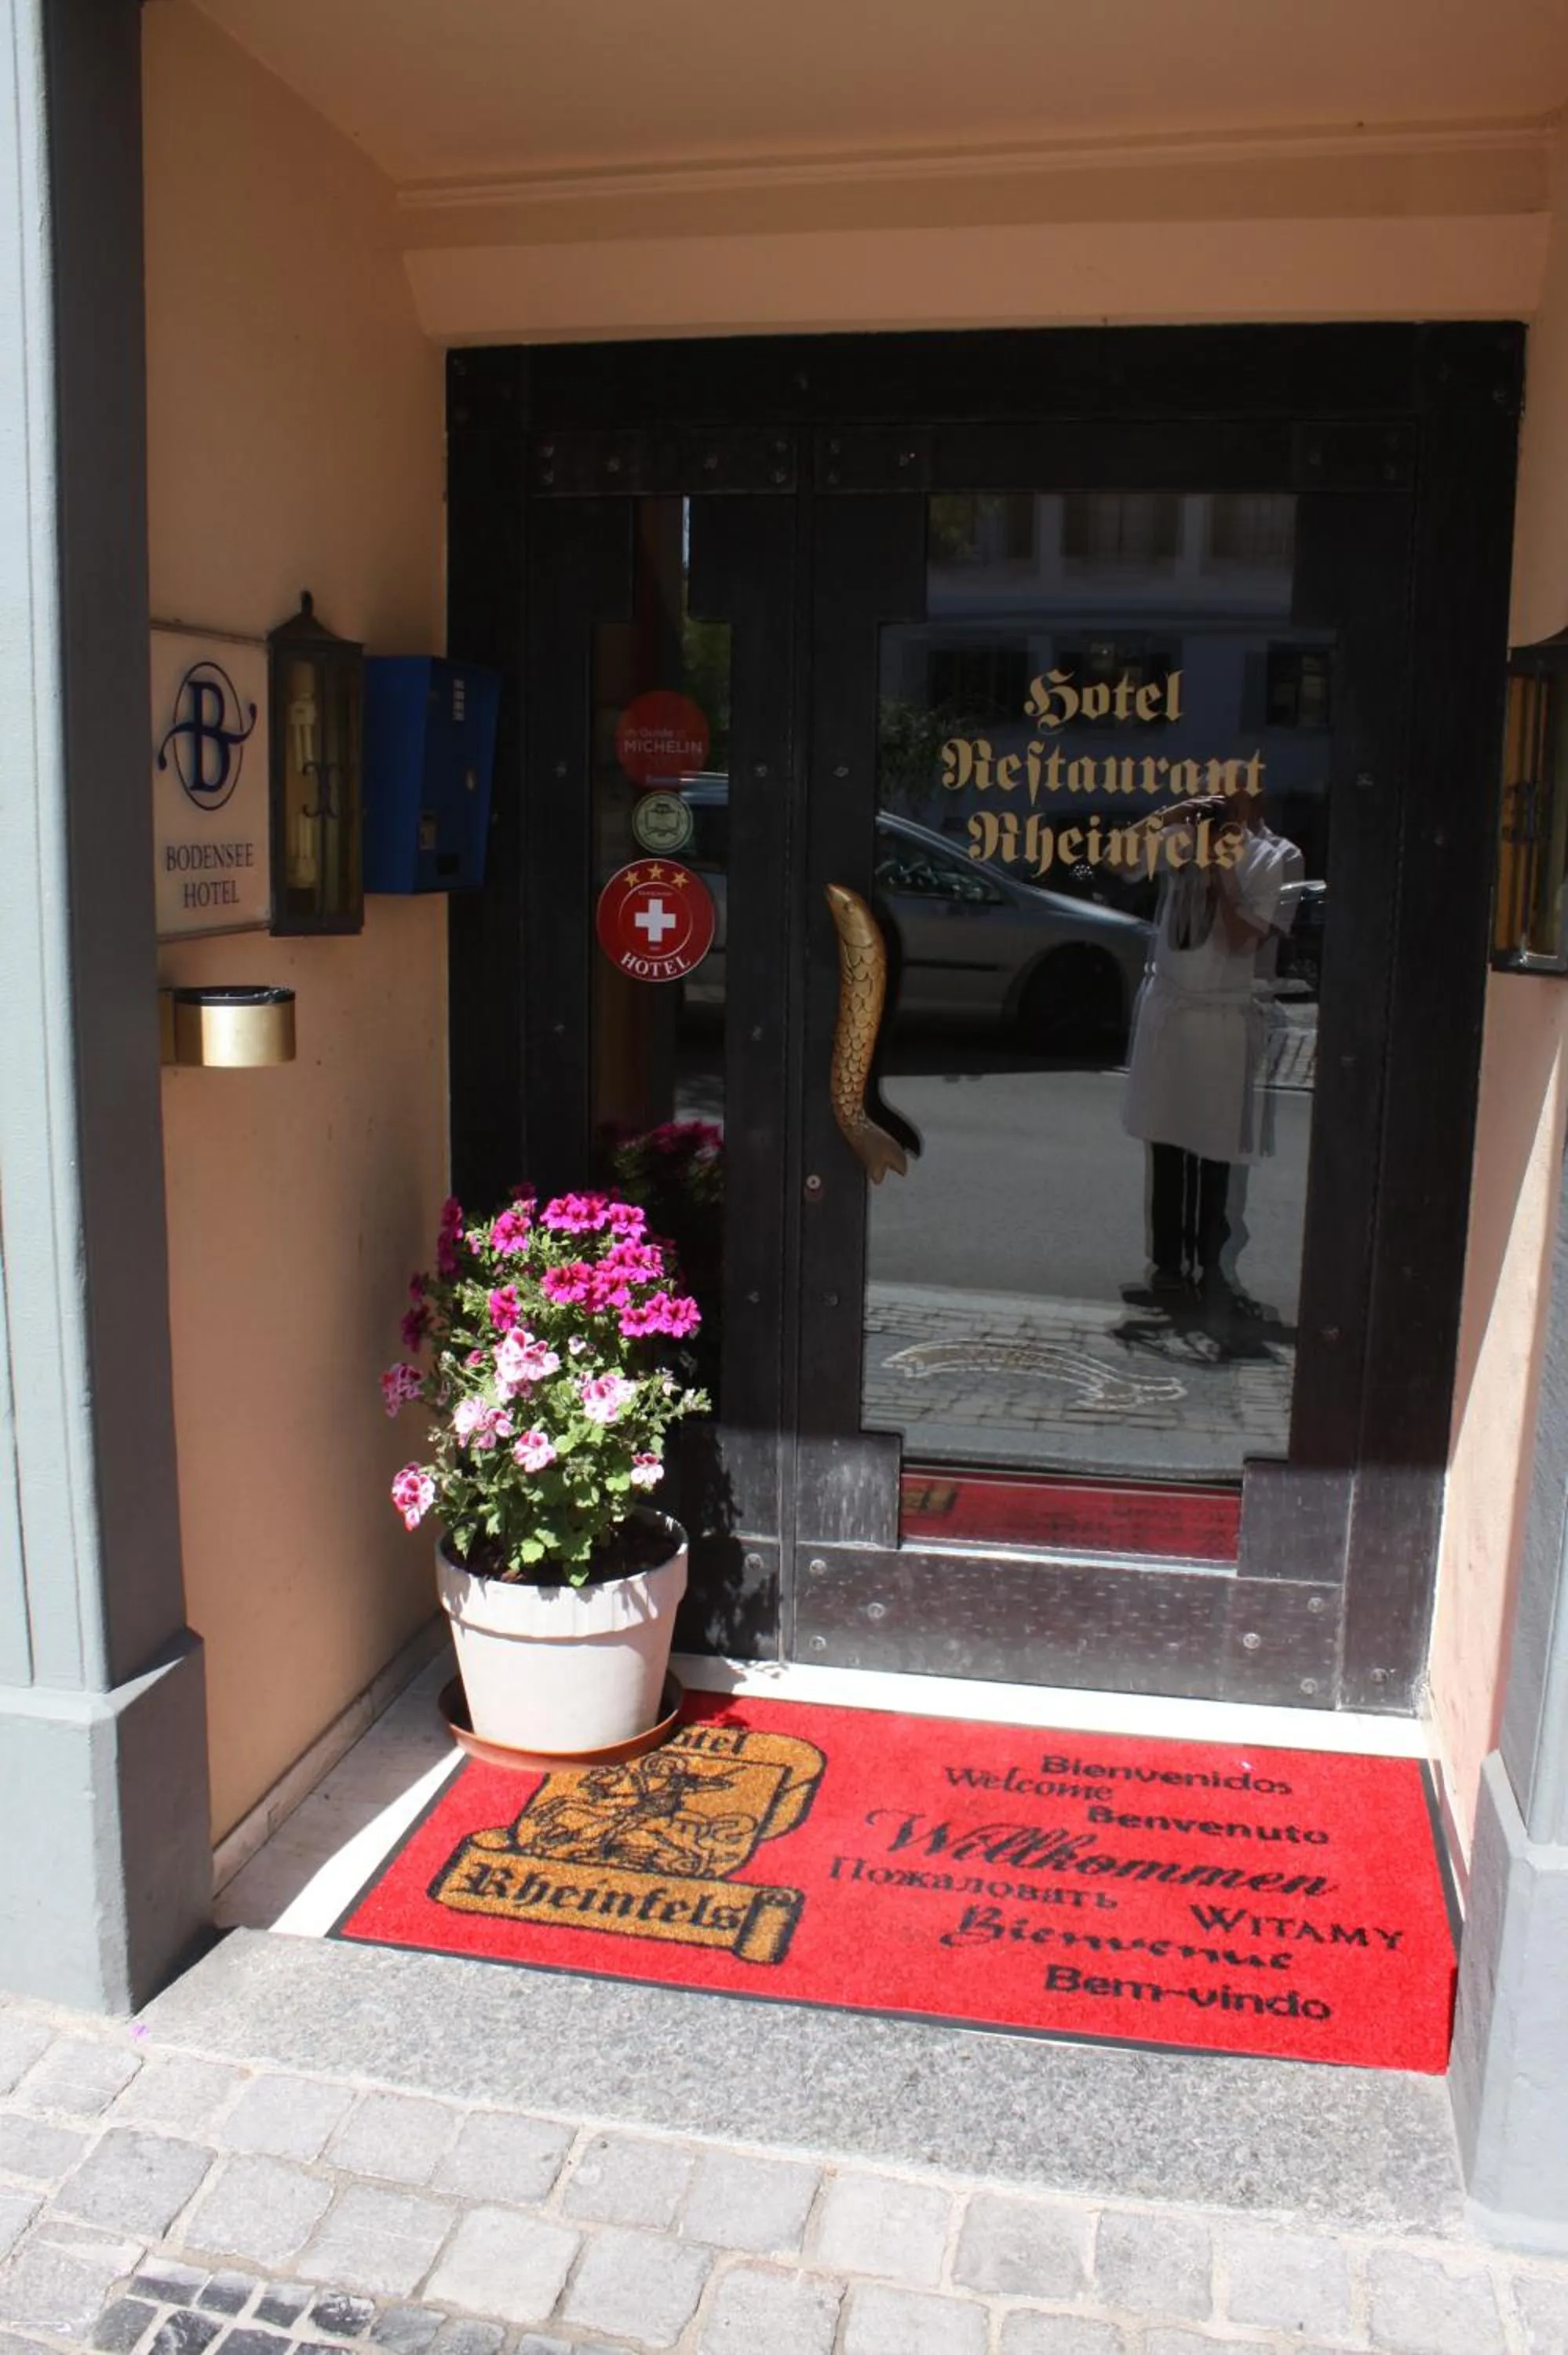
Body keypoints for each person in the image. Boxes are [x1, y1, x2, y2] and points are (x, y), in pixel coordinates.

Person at [1121, 795, 1304, 1316]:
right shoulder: (1182, 839)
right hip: (1173, 1012)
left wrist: (1221, 876)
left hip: (1223, 1018)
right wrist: (1166, 817)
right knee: (1168, 1142)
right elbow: (1107, 862)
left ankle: (1212, 1268)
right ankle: (1168, 1271)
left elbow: (1245, 938)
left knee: (1215, 1147)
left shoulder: (1277, 857)